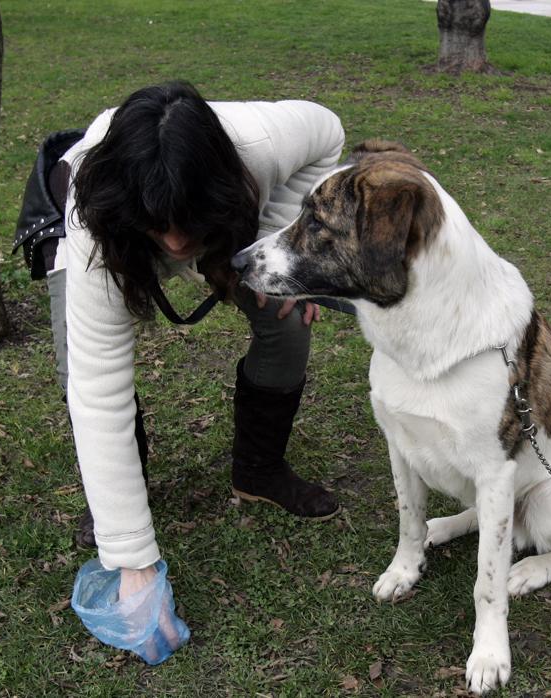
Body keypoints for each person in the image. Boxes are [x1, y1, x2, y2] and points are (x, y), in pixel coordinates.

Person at [40, 81, 345, 603]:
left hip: (229, 222)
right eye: (165, 227)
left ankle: (259, 471)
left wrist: (275, 237)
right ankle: (114, 498)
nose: (178, 243)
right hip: (116, 232)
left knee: (289, 323)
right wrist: (132, 559)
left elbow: (329, 133)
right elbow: (99, 388)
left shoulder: (268, 141)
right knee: (79, 368)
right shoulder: (96, 219)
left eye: (187, 225)